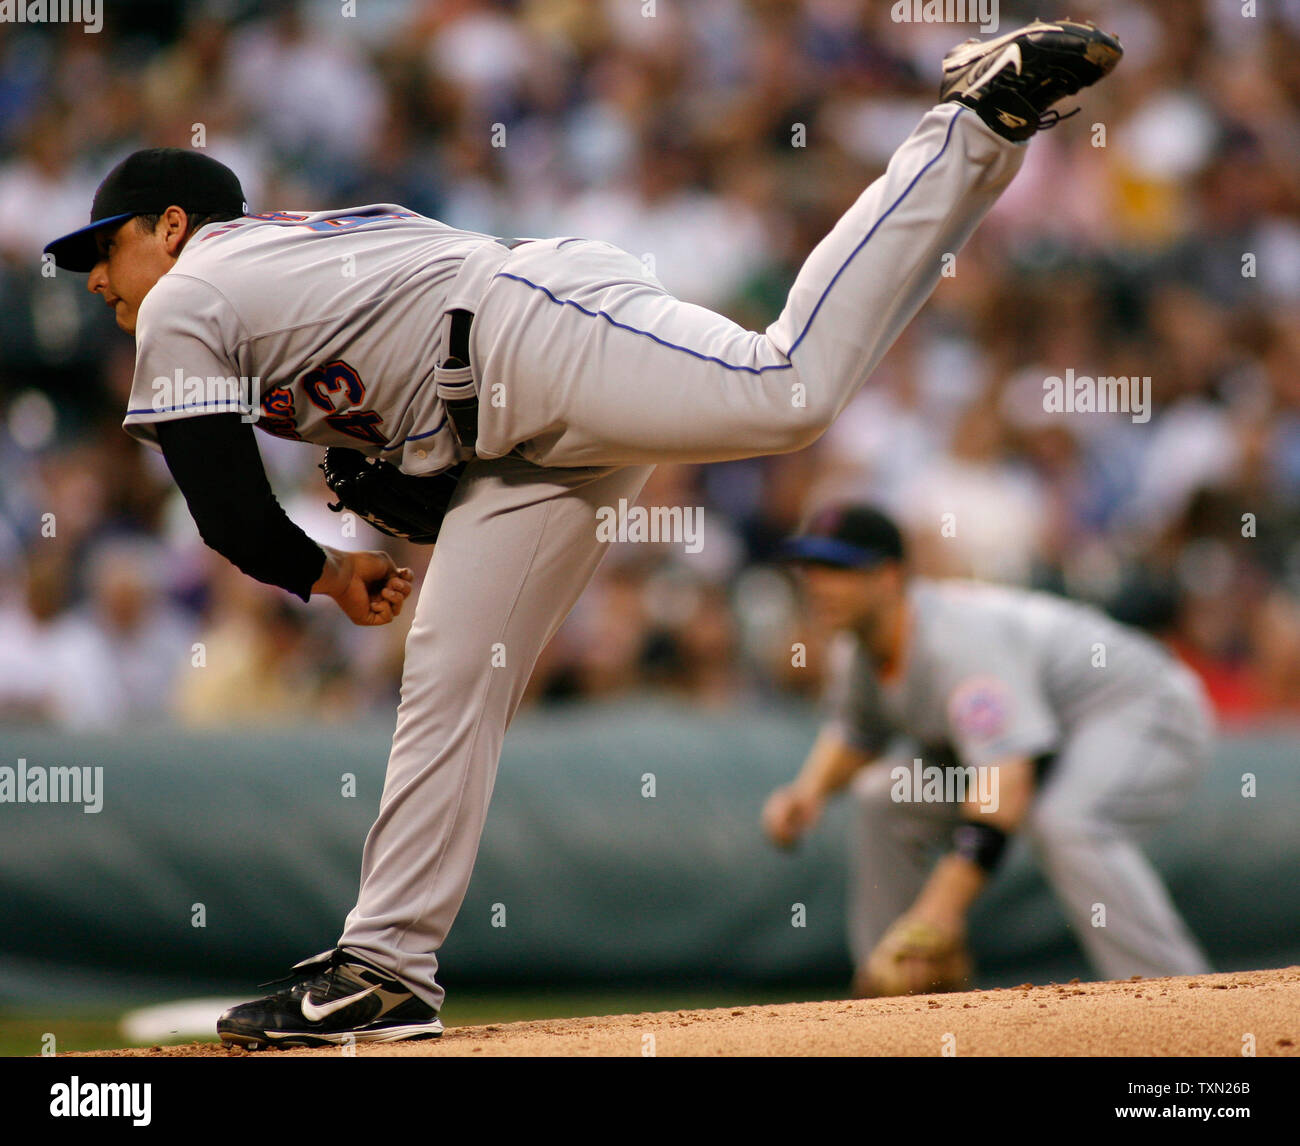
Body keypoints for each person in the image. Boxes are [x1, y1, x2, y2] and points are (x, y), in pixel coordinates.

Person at [43, 19, 1122, 1047]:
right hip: (509, 413)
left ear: (171, 227)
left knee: (786, 389)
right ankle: (384, 970)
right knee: (452, 668)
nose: (93, 276)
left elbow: (227, 512)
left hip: (533, 328)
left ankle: (970, 121)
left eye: (106, 246)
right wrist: (420, 461)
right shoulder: (274, 270)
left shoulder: (191, 295)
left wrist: (328, 574)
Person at [761, 504, 1214, 997]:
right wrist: (809, 792)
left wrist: (941, 909)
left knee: (1068, 822)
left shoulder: (957, 642)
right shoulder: (856, 649)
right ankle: (895, 998)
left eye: (838, 569)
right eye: (811, 567)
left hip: (1140, 706)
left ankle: (1179, 999)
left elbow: (1005, 787)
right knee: (881, 795)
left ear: (889, 577)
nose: (817, 583)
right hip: (1048, 738)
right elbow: (857, 734)